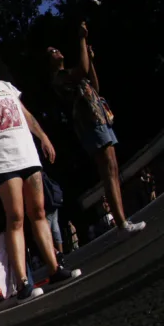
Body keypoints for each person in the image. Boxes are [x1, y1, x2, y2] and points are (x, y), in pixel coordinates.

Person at [0, 45, 81, 302]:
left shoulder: (7, 86)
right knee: (16, 217)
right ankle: (23, 281)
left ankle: (55, 268)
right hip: (2, 159)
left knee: (39, 212)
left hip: (27, 154)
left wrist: (43, 137)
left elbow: (26, 115)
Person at [48, 24, 145, 234]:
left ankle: (123, 218)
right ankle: (121, 222)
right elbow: (81, 70)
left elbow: (93, 84)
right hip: (90, 124)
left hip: (100, 118)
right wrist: (82, 39)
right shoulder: (60, 78)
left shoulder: (72, 75)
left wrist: (90, 59)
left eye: (56, 49)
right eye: (51, 52)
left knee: (113, 168)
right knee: (108, 170)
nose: (56, 52)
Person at [42, 170, 66, 257]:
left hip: (46, 207)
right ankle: (60, 251)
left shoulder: (38, 179)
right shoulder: (45, 176)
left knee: (46, 231)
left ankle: (55, 253)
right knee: (55, 227)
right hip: (53, 203)